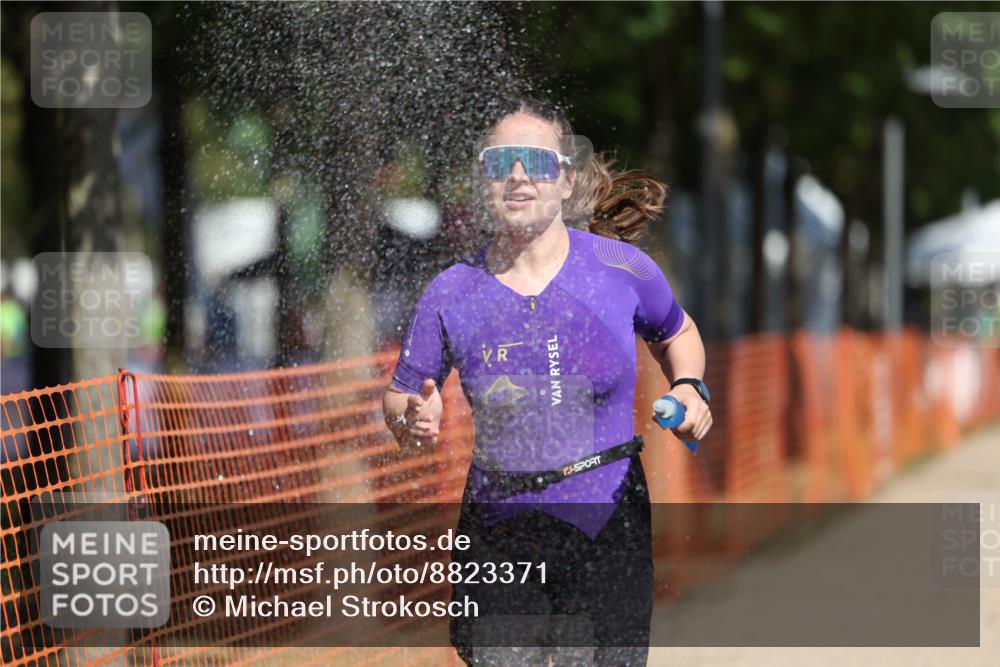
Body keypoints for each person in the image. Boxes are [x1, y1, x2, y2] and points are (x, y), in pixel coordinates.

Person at [382, 97, 712, 666]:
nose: (516, 175)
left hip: (607, 517)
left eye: (534, 161)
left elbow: (676, 332)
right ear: (483, 181)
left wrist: (690, 387)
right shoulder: (451, 292)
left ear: (565, 181)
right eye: (500, 161)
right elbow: (402, 394)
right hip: (498, 524)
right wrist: (409, 415)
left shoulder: (621, 269)